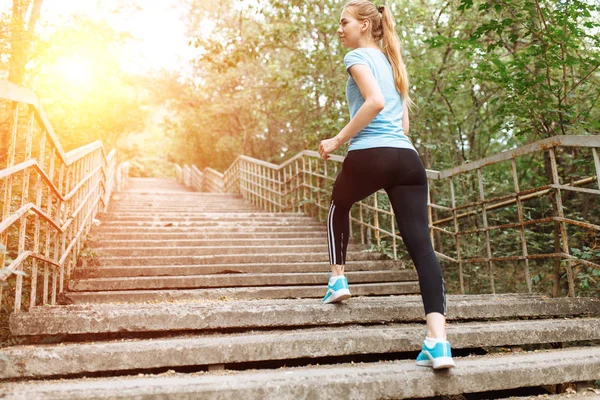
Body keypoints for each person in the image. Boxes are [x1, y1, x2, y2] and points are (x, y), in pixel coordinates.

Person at [318, 0, 455, 369]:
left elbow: (374, 102)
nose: (339, 28)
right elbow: (404, 125)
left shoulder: (356, 58)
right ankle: (438, 342)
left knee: (337, 205)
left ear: (364, 25)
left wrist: (336, 140)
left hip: (370, 153)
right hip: (407, 160)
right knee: (423, 249)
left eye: (344, 21)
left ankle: (337, 280)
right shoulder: (395, 63)